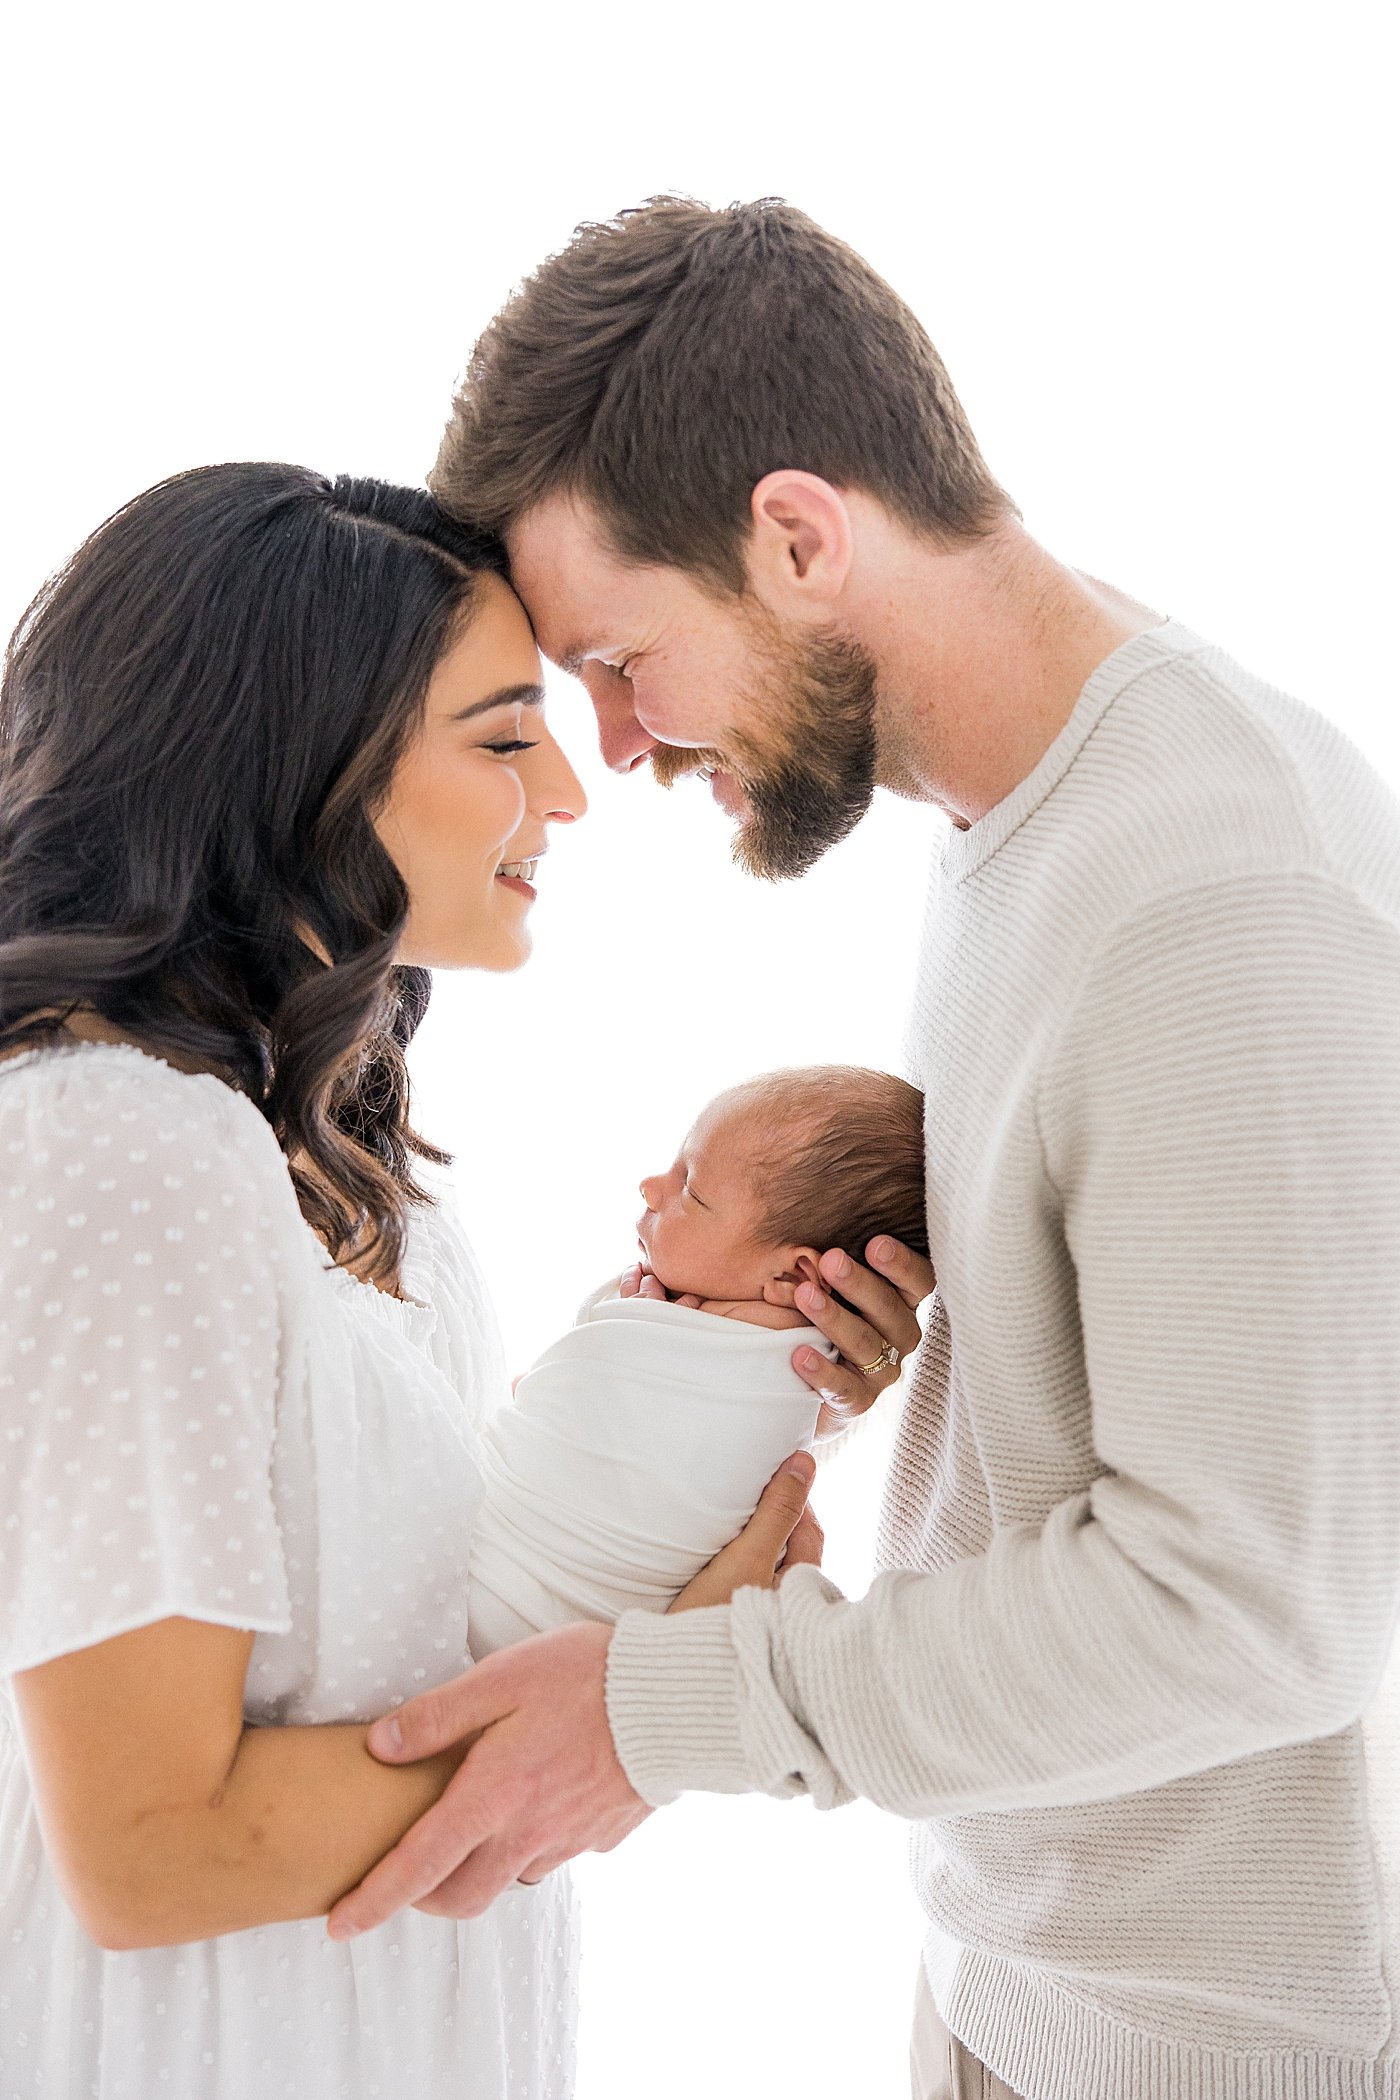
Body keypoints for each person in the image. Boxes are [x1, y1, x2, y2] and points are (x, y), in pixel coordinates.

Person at [327, 199, 1400, 2100]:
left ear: (800, 537)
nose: (617, 750)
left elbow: (1258, 1605)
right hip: (1036, 1981)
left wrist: (667, 1714)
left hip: (1211, 2052)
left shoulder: (1209, 886)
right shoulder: (1029, 822)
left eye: (619, 659)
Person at [0, 462, 912, 2098]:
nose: (569, 790)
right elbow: (150, 1852)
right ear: (294, 775)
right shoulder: (127, 1146)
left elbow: (417, 1582)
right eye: (504, 737)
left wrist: (742, 1374)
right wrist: (649, 1713)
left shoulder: (320, 1151)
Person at [469, 1065, 927, 1652]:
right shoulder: (778, 1348)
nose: (651, 1186)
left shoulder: (784, 1366)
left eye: (690, 1190)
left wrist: (629, 1324)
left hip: (529, 1616)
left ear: (794, 1273)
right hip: (548, 1630)